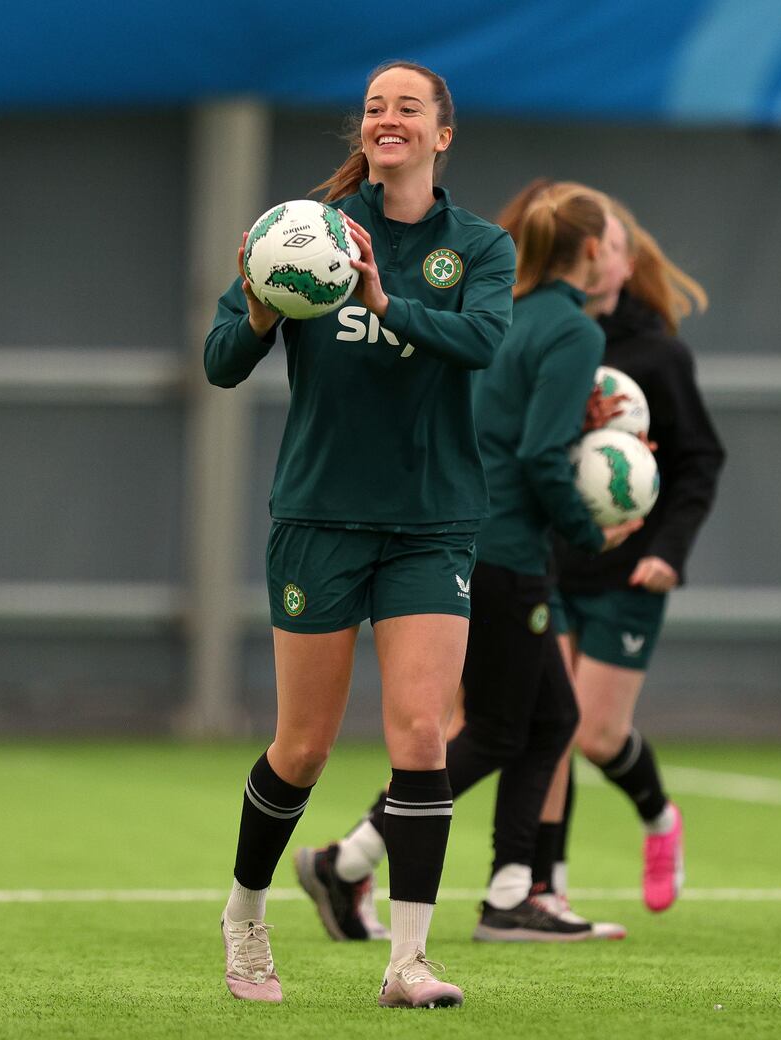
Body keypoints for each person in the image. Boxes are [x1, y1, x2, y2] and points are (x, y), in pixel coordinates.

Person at [204, 60, 516, 1008]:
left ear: (441, 134)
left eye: (408, 108)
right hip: (319, 519)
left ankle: (408, 961)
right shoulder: (302, 233)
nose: (389, 119)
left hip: (431, 523)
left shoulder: (481, 246)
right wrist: (262, 305)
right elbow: (221, 363)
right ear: (367, 133)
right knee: (303, 746)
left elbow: (483, 343)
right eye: (376, 107)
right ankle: (246, 920)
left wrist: (384, 305)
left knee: (422, 732)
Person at [295, 181, 640, 944]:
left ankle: (510, 886)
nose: (626, 260)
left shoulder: (506, 313)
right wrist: (591, 536)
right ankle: (357, 861)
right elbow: (544, 458)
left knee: (551, 717)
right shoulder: (572, 330)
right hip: (505, 548)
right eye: (618, 245)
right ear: (589, 252)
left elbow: (502, 418)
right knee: (495, 728)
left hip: (462, 532)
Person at [529, 195, 726, 915]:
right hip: (552, 558)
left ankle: (658, 816)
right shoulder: (543, 336)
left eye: (608, 246)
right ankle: (546, 885)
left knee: (595, 732)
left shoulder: (658, 356)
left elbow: (700, 460)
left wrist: (670, 549)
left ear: (625, 262)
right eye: (587, 245)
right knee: (549, 729)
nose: (595, 256)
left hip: (630, 569)